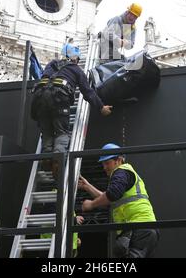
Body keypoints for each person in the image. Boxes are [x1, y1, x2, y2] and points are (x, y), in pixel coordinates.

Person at [31, 44, 113, 175]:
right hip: (59, 98)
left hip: (39, 98)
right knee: (61, 132)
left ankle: (46, 157)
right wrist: (101, 107)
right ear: (75, 58)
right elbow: (88, 92)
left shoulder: (51, 64)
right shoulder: (76, 70)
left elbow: (43, 77)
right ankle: (57, 159)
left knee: (46, 132)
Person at [79, 143, 159, 258]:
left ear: (119, 160)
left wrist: (91, 204)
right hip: (142, 228)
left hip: (138, 227)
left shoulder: (121, 171)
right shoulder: (125, 174)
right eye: (103, 164)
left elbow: (111, 195)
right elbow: (109, 199)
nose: (104, 167)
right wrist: (88, 187)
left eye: (107, 163)